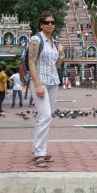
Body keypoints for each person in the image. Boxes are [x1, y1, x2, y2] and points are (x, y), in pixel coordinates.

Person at [28, 11, 65, 168]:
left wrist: (61, 55)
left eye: (52, 22)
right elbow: (31, 63)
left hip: (53, 82)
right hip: (40, 82)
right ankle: (39, 154)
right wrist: (38, 85)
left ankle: (40, 150)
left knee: (44, 117)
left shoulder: (54, 42)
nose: (50, 24)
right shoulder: (36, 40)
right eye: (47, 22)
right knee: (45, 116)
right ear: (41, 24)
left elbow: (55, 66)